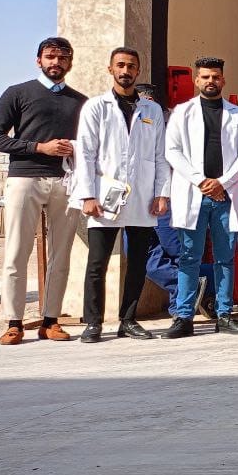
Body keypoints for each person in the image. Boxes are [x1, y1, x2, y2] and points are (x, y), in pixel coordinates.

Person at [71, 47, 170, 342]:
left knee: (137, 262)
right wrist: (87, 195)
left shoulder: (152, 111)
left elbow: (160, 155)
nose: (125, 71)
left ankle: (128, 319)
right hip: (105, 197)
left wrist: (161, 193)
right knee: (98, 263)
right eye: (120, 65)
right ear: (111, 69)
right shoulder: (96, 107)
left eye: (131, 66)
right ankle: (93, 322)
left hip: (142, 196)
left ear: (138, 71)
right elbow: (85, 154)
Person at [0, 37, 87, 345]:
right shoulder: (17, 93)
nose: (56, 62)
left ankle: (50, 320)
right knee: (16, 252)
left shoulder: (81, 101)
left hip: (67, 181)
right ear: (39, 60)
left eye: (63, 57)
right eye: (50, 56)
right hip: (25, 178)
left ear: (70, 62)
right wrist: (39, 147)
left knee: (62, 254)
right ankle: (14, 322)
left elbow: (91, 144)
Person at [162, 57, 238, 338]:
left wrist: (222, 183)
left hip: (225, 196)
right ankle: (183, 317)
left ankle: (224, 314)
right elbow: (172, 151)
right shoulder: (182, 112)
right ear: (196, 80)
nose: (210, 81)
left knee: (225, 257)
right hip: (194, 194)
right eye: (205, 77)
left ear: (223, 80)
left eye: (215, 77)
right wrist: (200, 181)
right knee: (189, 256)